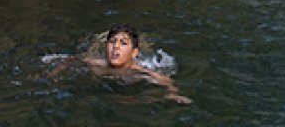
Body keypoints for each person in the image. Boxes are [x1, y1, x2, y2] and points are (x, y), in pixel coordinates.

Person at [51, 24, 192, 104]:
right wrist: (55, 73)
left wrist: (173, 94)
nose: (116, 47)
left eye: (123, 43)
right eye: (112, 42)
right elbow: (68, 61)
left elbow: (166, 81)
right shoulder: (95, 63)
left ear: (134, 53)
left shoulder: (140, 71)